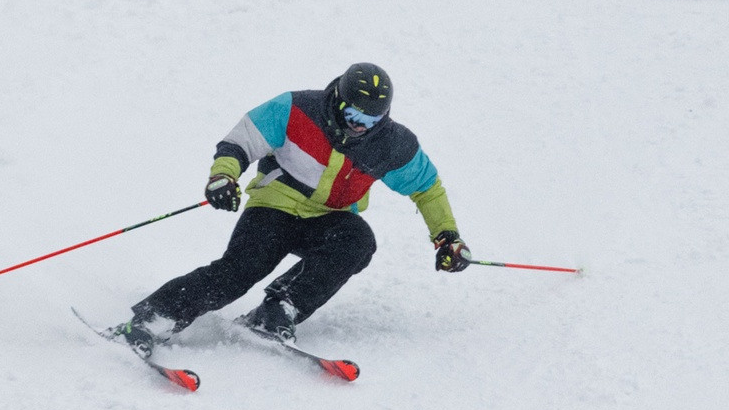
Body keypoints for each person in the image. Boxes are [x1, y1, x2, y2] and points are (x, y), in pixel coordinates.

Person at [116, 62, 468, 352]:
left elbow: (427, 189)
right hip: (275, 207)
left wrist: (446, 237)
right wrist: (223, 178)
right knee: (240, 272)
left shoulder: (392, 144)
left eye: (371, 121)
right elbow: (241, 141)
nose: (360, 126)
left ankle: (278, 310)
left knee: (357, 242)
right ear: (337, 100)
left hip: (330, 218)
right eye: (353, 114)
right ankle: (151, 319)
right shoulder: (296, 108)